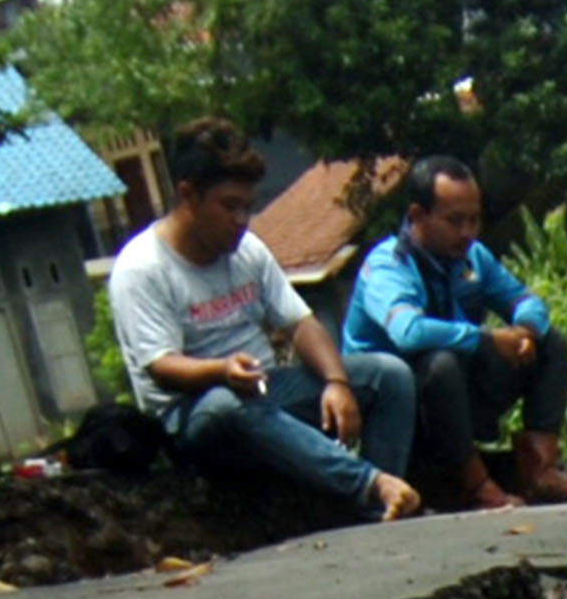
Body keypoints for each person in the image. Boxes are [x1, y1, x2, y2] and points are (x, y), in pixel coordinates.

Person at [109, 118, 419, 520]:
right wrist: (221, 370)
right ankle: (370, 486)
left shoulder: (247, 251)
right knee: (229, 405)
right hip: (197, 417)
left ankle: (384, 509)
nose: (241, 220)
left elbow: (300, 323)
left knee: (388, 374)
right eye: (229, 206)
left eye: (247, 206)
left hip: (266, 390)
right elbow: (161, 366)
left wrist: (337, 383)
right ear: (188, 195)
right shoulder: (143, 267)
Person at [347, 155, 567, 509]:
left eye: (474, 220)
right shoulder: (388, 266)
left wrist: (526, 329)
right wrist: (486, 339)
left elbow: (523, 299)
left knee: (551, 343)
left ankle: (540, 472)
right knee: (440, 363)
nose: (468, 232)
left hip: (459, 393)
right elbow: (408, 332)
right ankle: (476, 485)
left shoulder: (474, 257)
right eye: (454, 221)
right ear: (416, 217)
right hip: (404, 408)